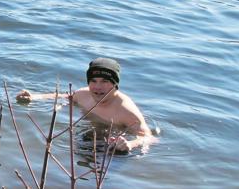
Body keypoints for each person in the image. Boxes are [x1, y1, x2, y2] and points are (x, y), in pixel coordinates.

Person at [16, 58, 155, 153]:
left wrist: (129, 144)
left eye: (105, 81)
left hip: (112, 144)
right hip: (89, 135)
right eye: (93, 81)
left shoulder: (126, 110)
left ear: (115, 84)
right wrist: (35, 97)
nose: (98, 87)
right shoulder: (84, 95)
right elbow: (65, 97)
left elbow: (150, 138)